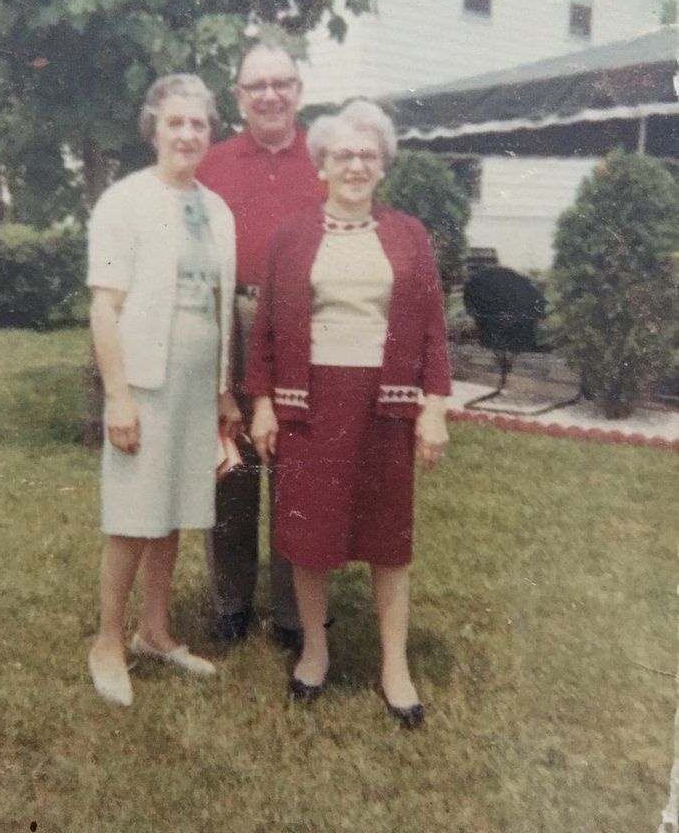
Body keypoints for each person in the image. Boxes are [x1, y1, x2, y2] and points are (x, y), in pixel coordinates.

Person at [245, 100, 451, 727]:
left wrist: (434, 407)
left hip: (385, 403)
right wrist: (262, 404)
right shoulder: (291, 237)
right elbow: (267, 334)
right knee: (311, 535)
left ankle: (395, 665)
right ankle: (315, 649)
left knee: (389, 536)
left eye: (367, 155)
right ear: (322, 165)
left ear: (382, 166)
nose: (355, 165)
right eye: (343, 154)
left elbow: (434, 332)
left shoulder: (409, 235)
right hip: (309, 404)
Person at [86, 73, 241, 707]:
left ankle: (154, 631)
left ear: (210, 133)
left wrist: (223, 391)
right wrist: (117, 396)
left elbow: (217, 305)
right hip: (144, 384)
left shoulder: (217, 209)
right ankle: (107, 643)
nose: (186, 133)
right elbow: (104, 308)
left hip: (194, 385)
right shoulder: (124, 202)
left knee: (174, 509)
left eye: (198, 123)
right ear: (154, 128)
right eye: (174, 122)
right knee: (131, 517)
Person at [197, 42, 323, 651]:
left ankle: (296, 611)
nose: (269, 95)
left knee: (296, 463)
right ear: (238, 97)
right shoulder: (212, 163)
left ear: (299, 90)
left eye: (281, 83)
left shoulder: (327, 160)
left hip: (305, 320)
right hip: (230, 316)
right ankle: (230, 600)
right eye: (256, 86)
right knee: (232, 461)